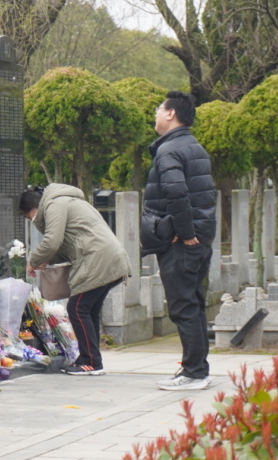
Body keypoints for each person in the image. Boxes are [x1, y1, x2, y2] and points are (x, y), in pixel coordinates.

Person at [141, 91, 216, 391]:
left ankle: (194, 372)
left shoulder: (169, 150)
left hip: (181, 243)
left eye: (159, 109)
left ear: (171, 114)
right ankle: (197, 369)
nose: (156, 113)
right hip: (198, 239)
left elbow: (177, 194)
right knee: (194, 304)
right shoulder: (193, 146)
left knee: (183, 306)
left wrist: (184, 233)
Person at [21, 184, 131, 376]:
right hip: (107, 256)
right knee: (89, 310)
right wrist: (46, 260)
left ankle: (91, 362)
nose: (32, 221)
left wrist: (34, 260)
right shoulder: (70, 201)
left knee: (77, 308)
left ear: (33, 208)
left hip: (97, 258)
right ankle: (90, 359)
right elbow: (71, 244)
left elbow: (52, 240)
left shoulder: (55, 204)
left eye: (29, 217)